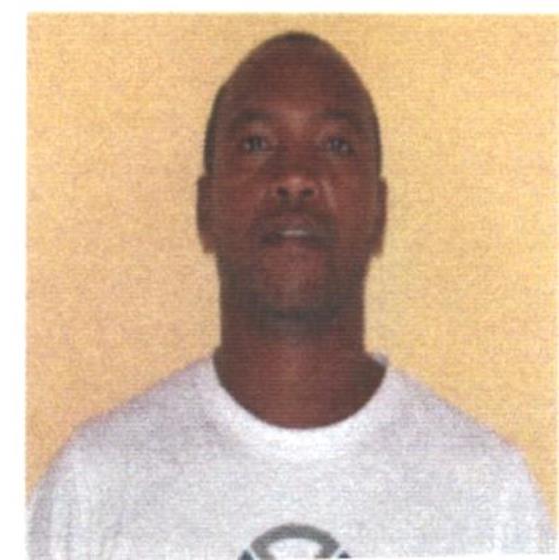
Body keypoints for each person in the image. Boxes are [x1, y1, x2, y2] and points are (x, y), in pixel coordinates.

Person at [28, 32, 554, 559]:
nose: (296, 177)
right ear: (205, 208)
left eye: (336, 145)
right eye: (256, 143)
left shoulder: (488, 499)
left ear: (379, 213)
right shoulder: (96, 485)